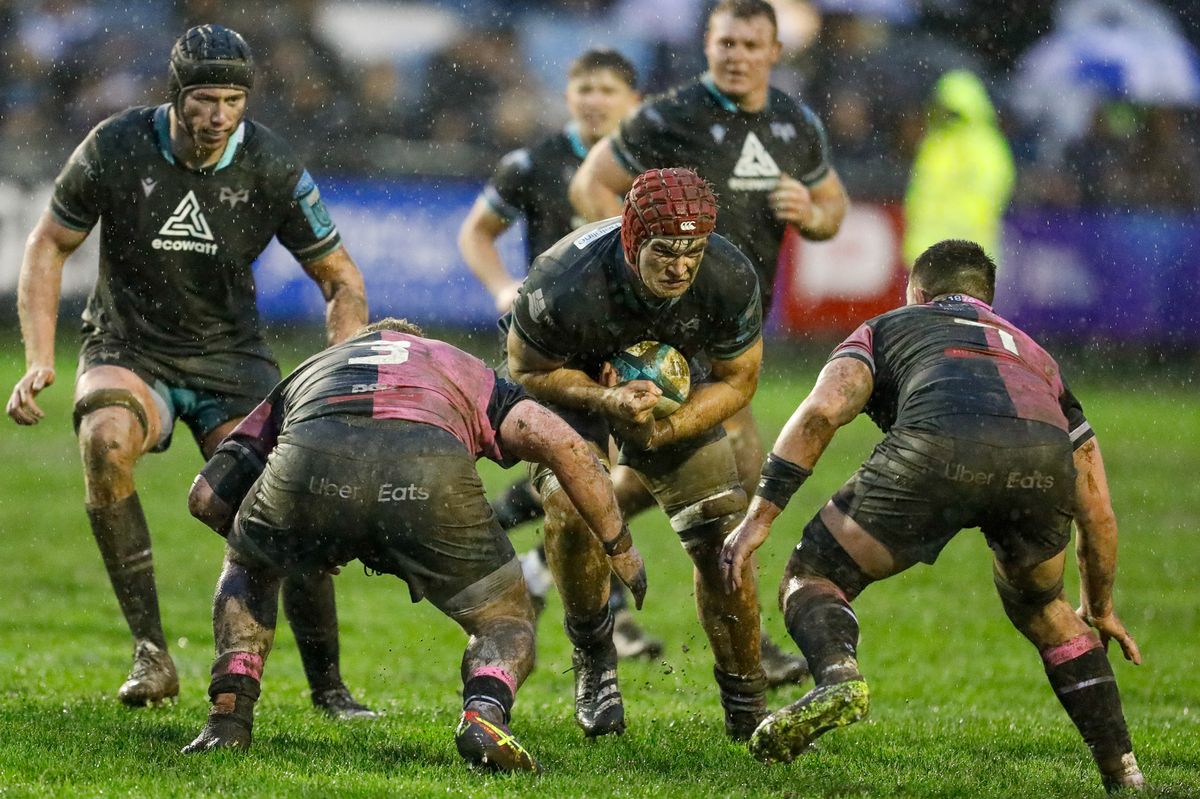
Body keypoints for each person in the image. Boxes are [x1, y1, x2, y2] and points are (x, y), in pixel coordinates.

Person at [4, 24, 372, 717]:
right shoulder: (115, 146)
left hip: (231, 358)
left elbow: (340, 278)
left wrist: (339, 367)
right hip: (129, 345)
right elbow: (49, 243)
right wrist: (39, 357)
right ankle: (151, 653)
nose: (219, 116)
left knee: (281, 503)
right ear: (176, 96)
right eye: (205, 99)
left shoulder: (271, 165)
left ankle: (330, 688)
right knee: (105, 439)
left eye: (234, 100)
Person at [720, 240, 1145, 794]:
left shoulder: (887, 326)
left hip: (938, 449)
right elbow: (1099, 508)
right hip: (1040, 461)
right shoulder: (1037, 356)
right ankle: (1124, 773)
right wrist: (1104, 606)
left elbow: (824, 411)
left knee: (813, 575)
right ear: (988, 300)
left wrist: (760, 515)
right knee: (1046, 608)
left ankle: (839, 675)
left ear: (916, 292)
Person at [181, 318, 646, 773]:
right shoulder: (455, 362)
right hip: (426, 475)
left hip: (311, 465)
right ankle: (484, 714)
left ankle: (228, 715)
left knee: (249, 566)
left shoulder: (314, 367)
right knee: (504, 618)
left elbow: (204, 498)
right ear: (416, 344)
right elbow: (566, 446)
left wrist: (275, 549)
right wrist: (618, 544)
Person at [569, 0, 849, 685]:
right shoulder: (672, 114)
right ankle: (746, 658)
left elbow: (834, 206)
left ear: (774, 50)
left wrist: (810, 213)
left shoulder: (794, 124)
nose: (736, 55)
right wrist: (645, 263)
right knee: (739, 478)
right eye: (725, 42)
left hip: (735, 326)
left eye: (751, 43)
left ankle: (572, 523)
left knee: (700, 474)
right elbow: (590, 185)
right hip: (673, 325)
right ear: (707, 44)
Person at [507, 167, 769, 741]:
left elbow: (738, 379)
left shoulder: (726, 275)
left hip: (670, 393)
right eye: (664, 252)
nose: (679, 267)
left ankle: (747, 702)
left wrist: (667, 429)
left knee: (722, 536)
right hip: (574, 383)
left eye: (692, 252)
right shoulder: (563, 279)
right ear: (631, 241)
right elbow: (526, 369)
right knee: (573, 510)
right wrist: (604, 397)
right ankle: (596, 662)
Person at [456, 48, 661, 659]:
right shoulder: (534, 161)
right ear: (568, 96)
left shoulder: (650, 170)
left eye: (607, 90)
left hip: (626, 344)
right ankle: (609, 626)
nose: (594, 100)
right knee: (589, 474)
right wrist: (500, 287)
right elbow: (476, 232)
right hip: (553, 345)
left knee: (645, 471)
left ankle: (531, 553)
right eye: (584, 89)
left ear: (635, 103)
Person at [902, 69, 1015, 267]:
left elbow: (991, 188)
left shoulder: (984, 143)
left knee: (963, 297)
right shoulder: (935, 142)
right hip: (925, 249)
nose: (945, 115)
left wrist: (961, 225)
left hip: (967, 250)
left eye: (951, 110)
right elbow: (921, 191)